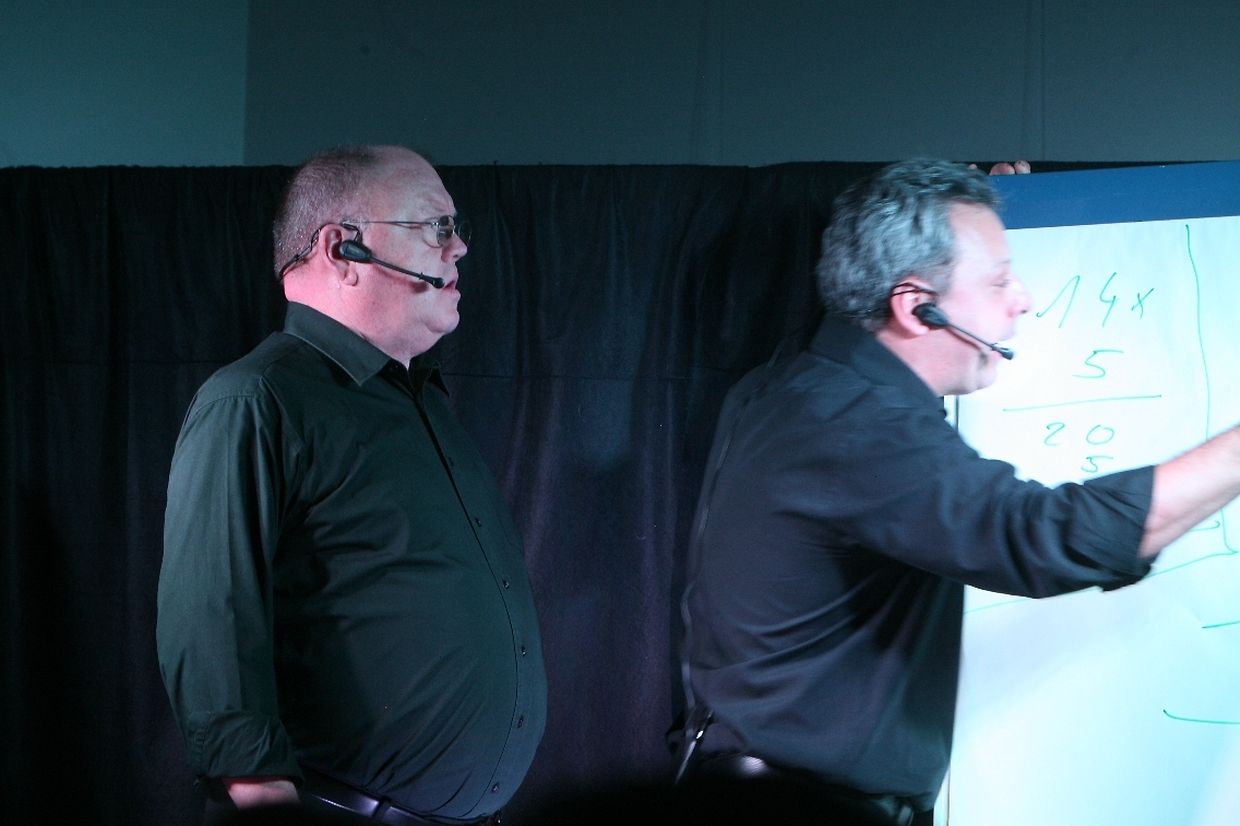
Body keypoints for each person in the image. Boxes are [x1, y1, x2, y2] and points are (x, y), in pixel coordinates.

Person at [677, 158, 1240, 825]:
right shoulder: (855, 426)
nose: (1023, 299)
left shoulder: (794, 389)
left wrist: (983, 209)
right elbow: (1043, 539)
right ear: (918, 308)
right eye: (999, 279)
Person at [157, 145, 546, 825]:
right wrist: (265, 800)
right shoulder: (255, 400)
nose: (458, 248)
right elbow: (212, 616)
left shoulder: (422, 405)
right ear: (343, 249)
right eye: (435, 226)